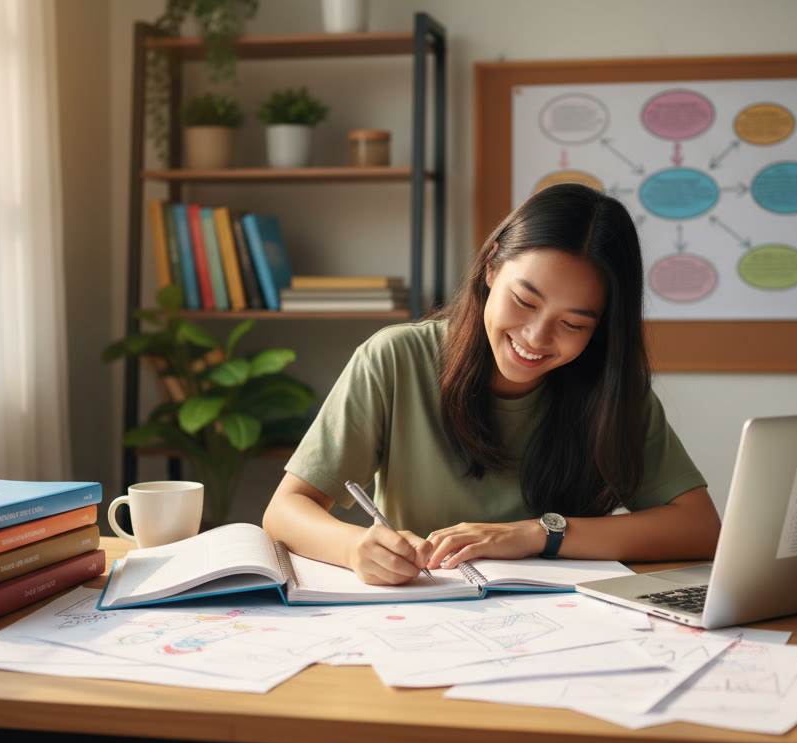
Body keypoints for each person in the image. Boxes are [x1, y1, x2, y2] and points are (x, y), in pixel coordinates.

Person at [263, 183, 721, 585]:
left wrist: (536, 533)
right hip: (420, 616)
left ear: (601, 328)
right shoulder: (396, 359)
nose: (536, 338)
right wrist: (354, 547)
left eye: (574, 324)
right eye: (524, 300)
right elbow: (284, 512)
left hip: (568, 628)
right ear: (490, 268)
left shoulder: (609, 388)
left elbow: (701, 528)